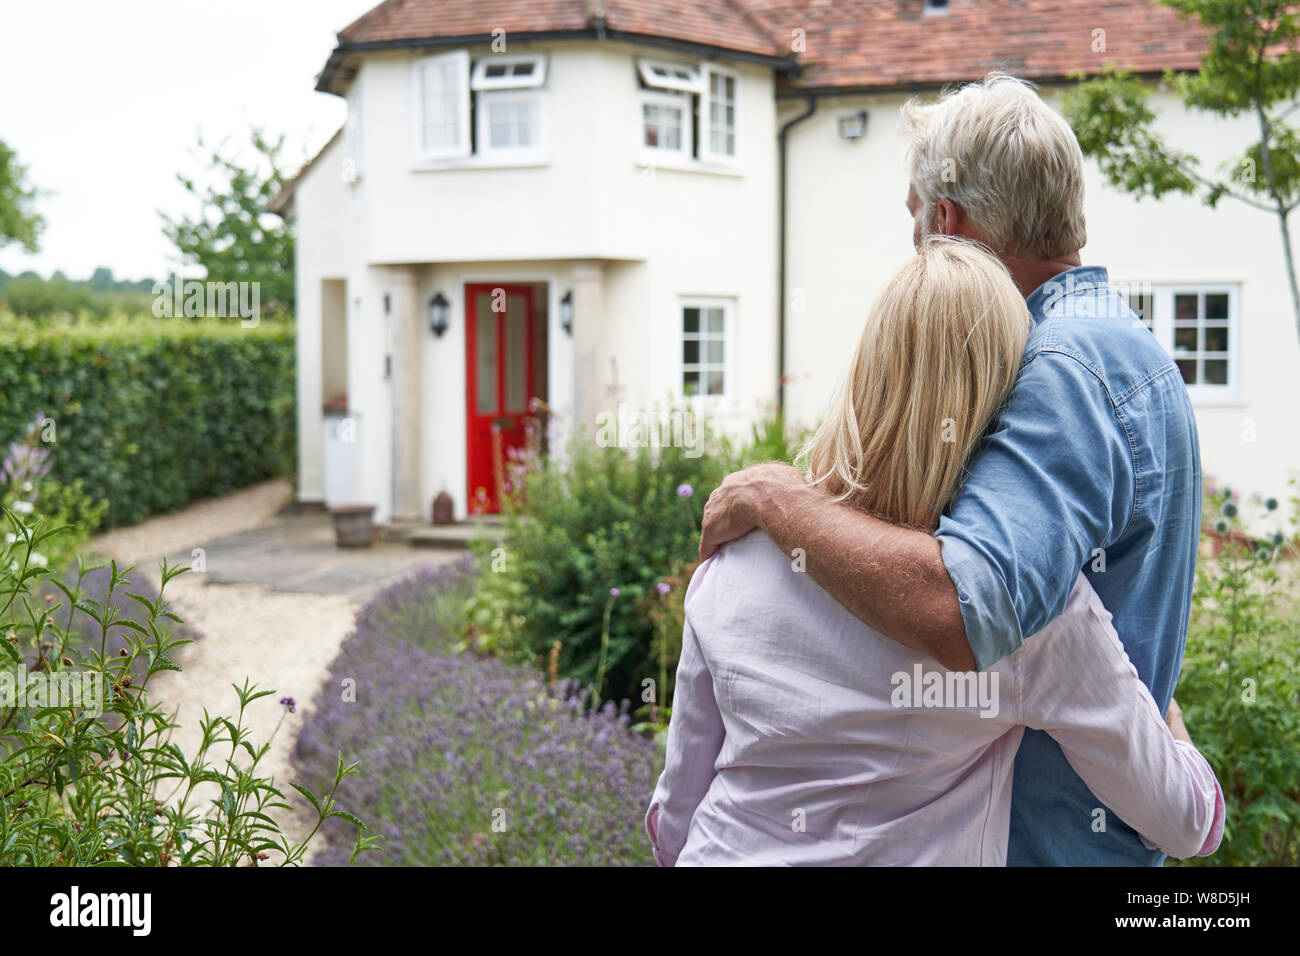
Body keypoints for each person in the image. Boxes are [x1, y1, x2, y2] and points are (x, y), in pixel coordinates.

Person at [698, 74, 1202, 865]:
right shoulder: (1119, 344)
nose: (914, 246)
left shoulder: (1058, 367)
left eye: (913, 218)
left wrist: (776, 498)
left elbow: (967, 609)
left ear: (945, 218)